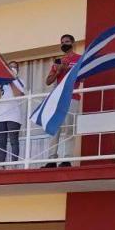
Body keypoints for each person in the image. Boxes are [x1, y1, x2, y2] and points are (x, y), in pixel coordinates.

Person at [45, 35, 81, 167]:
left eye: (67, 41)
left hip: (72, 97)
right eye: (62, 42)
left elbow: (81, 77)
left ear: (72, 43)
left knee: (69, 129)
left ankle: (67, 159)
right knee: (54, 129)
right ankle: (51, 160)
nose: (64, 44)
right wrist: (58, 71)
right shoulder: (58, 61)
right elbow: (48, 81)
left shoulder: (79, 59)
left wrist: (68, 70)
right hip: (58, 98)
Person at [0, 61, 26, 169]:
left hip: (14, 116)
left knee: (13, 141)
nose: (12, 68)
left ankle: (13, 165)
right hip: (1, 116)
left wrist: (11, 81)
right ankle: (1, 166)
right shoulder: (0, 82)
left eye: (14, 67)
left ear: (18, 70)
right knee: (2, 142)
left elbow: (18, 95)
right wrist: (2, 83)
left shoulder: (20, 81)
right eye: (10, 67)